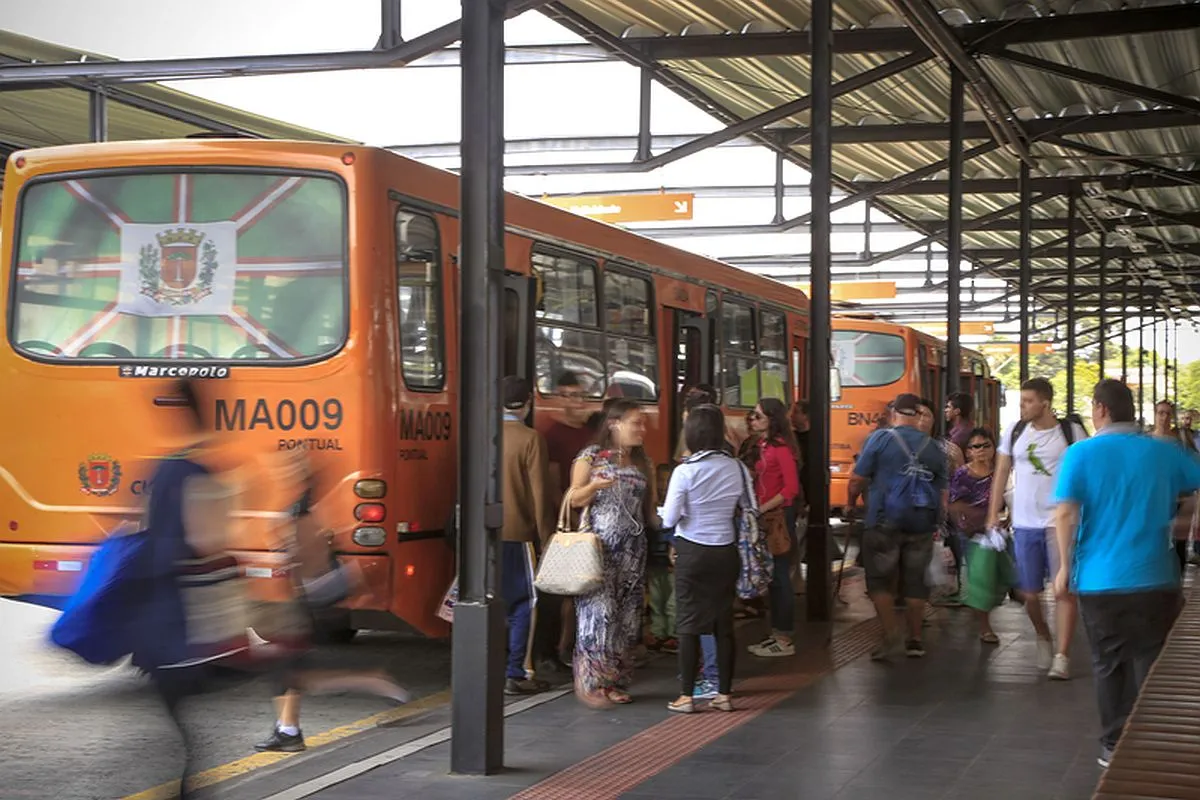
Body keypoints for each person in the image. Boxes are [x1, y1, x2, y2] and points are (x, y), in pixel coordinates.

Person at [1053, 379, 1200, 769]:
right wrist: (1184, 522)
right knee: (1152, 661)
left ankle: (1114, 745)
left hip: (1101, 580)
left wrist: (1065, 567)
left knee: (1110, 663)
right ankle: (1152, 737)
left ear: (1100, 408)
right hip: (1157, 576)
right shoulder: (1163, 452)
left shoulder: (1080, 454)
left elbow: (1066, 512)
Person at [986, 378, 1086, 681]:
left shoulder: (1071, 433)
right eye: (1021, 401)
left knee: (1063, 590)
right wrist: (993, 514)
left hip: (1061, 523)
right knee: (1029, 593)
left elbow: (1086, 472)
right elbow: (1001, 472)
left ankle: (1062, 656)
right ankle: (1043, 635)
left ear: (1045, 402)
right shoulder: (1015, 432)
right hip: (1025, 523)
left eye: (1028, 401)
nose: (1023, 406)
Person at [662, 404, 753, 714]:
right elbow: (748, 506)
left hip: (692, 550)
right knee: (722, 624)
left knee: (688, 623)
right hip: (726, 550)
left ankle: (686, 696)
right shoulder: (736, 467)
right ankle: (724, 695)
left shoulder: (685, 470)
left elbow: (670, 517)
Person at [568, 399, 658, 707]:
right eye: (636, 423)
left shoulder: (642, 460)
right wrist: (594, 487)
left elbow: (650, 509)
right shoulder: (590, 458)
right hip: (600, 548)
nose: (642, 429)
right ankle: (592, 682)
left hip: (634, 550)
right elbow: (574, 499)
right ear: (613, 424)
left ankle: (616, 680)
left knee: (628, 618)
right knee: (599, 615)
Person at [848, 393, 949, 660]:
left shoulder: (880, 439)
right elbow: (942, 490)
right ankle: (915, 640)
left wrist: (850, 503)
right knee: (916, 582)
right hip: (921, 523)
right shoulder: (933, 446)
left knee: (879, 582)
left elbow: (857, 478)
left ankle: (891, 633)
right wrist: (938, 519)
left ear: (894, 413)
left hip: (883, 521)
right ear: (917, 414)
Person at [535, 371, 595, 675]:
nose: (578, 401)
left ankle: (573, 647)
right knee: (556, 591)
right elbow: (553, 483)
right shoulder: (551, 434)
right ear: (558, 398)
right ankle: (547, 650)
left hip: (590, 522)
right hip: (568, 524)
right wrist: (571, 515)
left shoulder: (590, 433)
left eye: (581, 394)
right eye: (570, 395)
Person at [500, 377, 556, 694]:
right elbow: (540, 494)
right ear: (528, 403)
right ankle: (517, 671)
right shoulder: (530, 439)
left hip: (482, 538)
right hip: (518, 535)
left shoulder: (482, 435)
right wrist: (548, 537)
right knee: (524, 603)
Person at [744, 398, 801, 658]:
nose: (752, 420)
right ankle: (776, 632)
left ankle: (784, 635)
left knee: (779, 575)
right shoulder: (761, 445)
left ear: (772, 420)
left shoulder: (780, 449)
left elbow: (790, 489)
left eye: (757, 416)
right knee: (771, 574)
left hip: (777, 517)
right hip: (765, 514)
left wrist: (762, 509)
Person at [949, 428, 1008, 643]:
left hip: (997, 534)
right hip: (972, 534)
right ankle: (985, 626)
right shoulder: (963, 475)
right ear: (968, 451)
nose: (981, 450)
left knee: (1001, 576)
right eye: (975, 446)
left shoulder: (1001, 472)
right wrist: (980, 518)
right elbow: (954, 505)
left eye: (986, 445)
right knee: (979, 578)